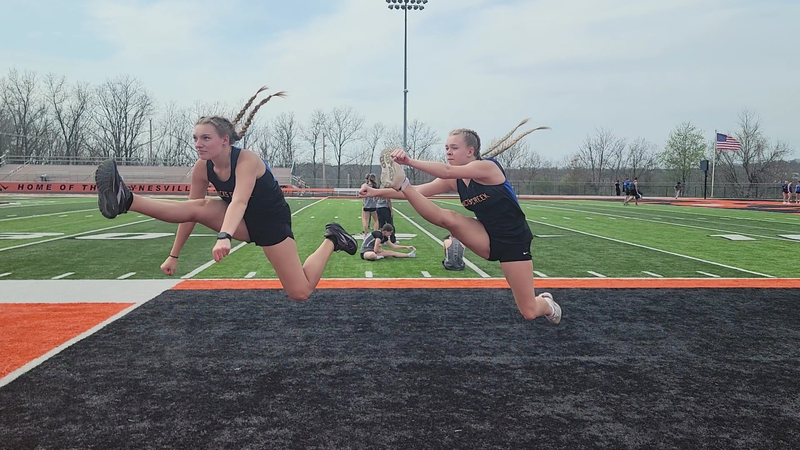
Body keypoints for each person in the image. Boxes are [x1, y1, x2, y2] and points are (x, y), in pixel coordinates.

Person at [93, 86, 357, 301]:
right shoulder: (202, 167)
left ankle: (333, 238)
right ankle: (126, 199)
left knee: (300, 292)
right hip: (236, 219)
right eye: (195, 138)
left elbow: (240, 200)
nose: (198, 144)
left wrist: (224, 236)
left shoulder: (247, 160)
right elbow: (189, 213)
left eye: (205, 138)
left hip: (270, 222)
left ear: (224, 140)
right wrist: (174, 254)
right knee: (198, 206)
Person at [360, 119, 561, 324]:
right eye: (446, 148)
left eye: (454, 148)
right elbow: (418, 192)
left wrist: (409, 162)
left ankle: (546, 302)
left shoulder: (487, 168)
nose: (448, 152)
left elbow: (446, 171)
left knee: (529, 311)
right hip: (484, 235)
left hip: (513, 241)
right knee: (450, 219)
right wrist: (375, 192)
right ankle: (403, 182)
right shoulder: (454, 180)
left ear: (470, 151)